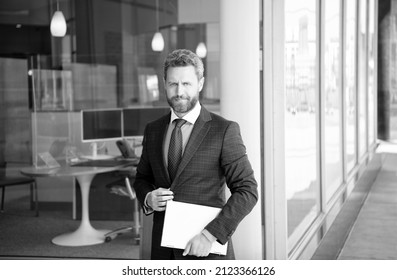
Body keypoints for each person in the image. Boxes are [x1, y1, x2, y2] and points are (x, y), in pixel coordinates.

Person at [133, 49, 258, 260]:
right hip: (163, 252)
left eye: (187, 84)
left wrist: (210, 235)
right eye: (173, 84)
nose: (179, 91)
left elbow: (247, 190)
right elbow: (142, 179)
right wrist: (148, 198)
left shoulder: (224, 130)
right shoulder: (153, 130)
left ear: (200, 84)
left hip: (206, 250)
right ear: (164, 83)